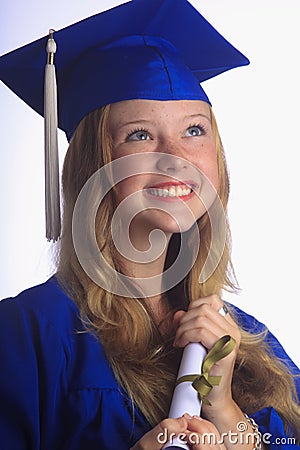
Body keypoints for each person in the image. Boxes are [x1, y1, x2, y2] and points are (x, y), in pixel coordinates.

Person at [0, 0, 299, 449]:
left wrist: (222, 407)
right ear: (92, 165)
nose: (176, 159)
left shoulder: (243, 341)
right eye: (139, 135)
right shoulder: (27, 338)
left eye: (194, 130)